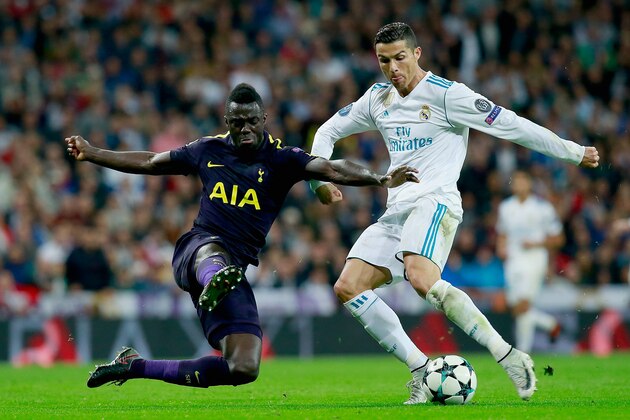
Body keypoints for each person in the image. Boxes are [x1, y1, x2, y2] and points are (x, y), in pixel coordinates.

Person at [309, 22, 600, 404]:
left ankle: (509, 356)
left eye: (399, 58)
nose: (392, 68)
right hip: (397, 209)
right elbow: (327, 131)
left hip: (436, 202)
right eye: (384, 60)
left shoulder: (448, 96)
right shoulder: (377, 99)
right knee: (348, 286)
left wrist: (571, 150)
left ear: (417, 54)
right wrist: (318, 181)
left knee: (420, 276)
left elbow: (511, 125)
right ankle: (420, 371)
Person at [67, 83, 419, 389]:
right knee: (213, 254)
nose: (245, 128)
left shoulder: (283, 159)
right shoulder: (208, 149)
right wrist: (93, 153)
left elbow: (331, 167)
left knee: (243, 368)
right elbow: (150, 162)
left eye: (252, 120)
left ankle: (135, 366)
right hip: (197, 250)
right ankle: (213, 277)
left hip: (234, 269)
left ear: (264, 119)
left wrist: (380, 179)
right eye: (237, 122)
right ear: (227, 122)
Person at [496, 170, 563, 353]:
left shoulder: (543, 208)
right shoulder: (505, 207)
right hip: (513, 260)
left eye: (522, 181)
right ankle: (551, 324)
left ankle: (522, 352)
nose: (519, 185)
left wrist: (536, 243)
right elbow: (502, 234)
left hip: (535, 258)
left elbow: (558, 238)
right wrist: (500, 247)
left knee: (523, 305)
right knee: (516, 307)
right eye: (516, 182)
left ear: (529, 184)